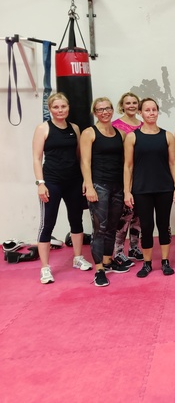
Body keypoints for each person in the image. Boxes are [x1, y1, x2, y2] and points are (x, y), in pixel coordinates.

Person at [32, 93, 93, 284]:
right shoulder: (43, 128)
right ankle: (45, 268)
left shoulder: (74, 128)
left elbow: (78, 156)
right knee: (47, 223)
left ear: (68, 108)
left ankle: (78, 258)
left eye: (63, 107)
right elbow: (37, 158)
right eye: (56, 107)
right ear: (50, 109)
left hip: (73, 181)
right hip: (52, 182)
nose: (60, 110)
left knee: (76, 219)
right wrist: (40, 183)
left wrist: (84, 180)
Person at [124, 98, 175, 278]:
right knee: (147, 226)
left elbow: (172, 163)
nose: (151, 113)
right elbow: (128, 166)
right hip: (142, 189)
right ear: (140, 113)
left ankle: (165, 261)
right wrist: (127, 191)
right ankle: (147, 263)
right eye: (147, 110)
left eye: (154, 110)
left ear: (157, 112)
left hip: (164, 188)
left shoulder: (167, 136)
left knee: (164, 225)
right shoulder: (132, 137)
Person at [80, 97, 130, 287]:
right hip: (99, 185)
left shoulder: (120, 134)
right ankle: (99, 269)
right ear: (95, 112)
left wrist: (126, 188)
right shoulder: (89, 133)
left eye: (107, 108)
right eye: (100, 109)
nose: (104, 112)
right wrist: (89, 185)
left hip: (117, 186)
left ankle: (108, 261)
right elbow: (85, 162)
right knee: (99, 229)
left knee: (112, 226)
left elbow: (125, 163)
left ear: (112, 110)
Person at [112, 92, 143, 263]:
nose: (131, 105)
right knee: (125, 215)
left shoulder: (144, 125)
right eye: (128, 103)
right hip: (123, 173)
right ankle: (118, 250)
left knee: (138, 214)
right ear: (122, 105)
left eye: (134, 102)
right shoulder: (115, 126)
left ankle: (134, 247)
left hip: (141, 174)